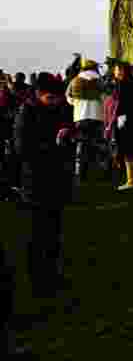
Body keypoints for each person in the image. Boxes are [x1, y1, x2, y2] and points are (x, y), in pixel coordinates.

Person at [13, 73, 74, 297]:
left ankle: (52, 275)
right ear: (38, 94)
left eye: (57, 98)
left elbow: (65, 139)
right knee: (38, 235)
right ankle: (39, 281)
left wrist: (67, 138)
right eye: (51, 97)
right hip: (36, 183)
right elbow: (23, 150)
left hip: (56, 180)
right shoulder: (26, 113)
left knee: (54, 233)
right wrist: (54, 144)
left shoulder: (57, 110)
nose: (56, 101)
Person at [105, 61, 133, 190]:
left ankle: (132, 181)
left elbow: (122, 105)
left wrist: (120, 117)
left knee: (128, 151)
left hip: (126, 121)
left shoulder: (123, 85)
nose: (117, 72)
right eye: (116, 69)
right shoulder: (131, 84)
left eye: (120, 70)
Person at [64, 58, 105, 192]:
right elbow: (105, 95)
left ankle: (79, 172)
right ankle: (98, 170)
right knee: (97, 144)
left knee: (81, 144)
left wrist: (76, 103)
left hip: (80, 116)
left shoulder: (75, 80)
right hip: (97, 115)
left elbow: (68, 97)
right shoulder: (99, 80)